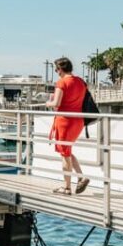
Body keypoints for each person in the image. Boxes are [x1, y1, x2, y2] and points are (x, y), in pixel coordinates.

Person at [45, 57, 90, 195]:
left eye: (56, 69)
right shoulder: (81, 82)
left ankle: (66, 187)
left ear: (61, 69)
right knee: (67, 151)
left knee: (65, 154)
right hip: (78, 121)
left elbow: (56, 103)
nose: (56, 72)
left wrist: (48, 103)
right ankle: (81, 177)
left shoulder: (62, 82)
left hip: (65, 121)